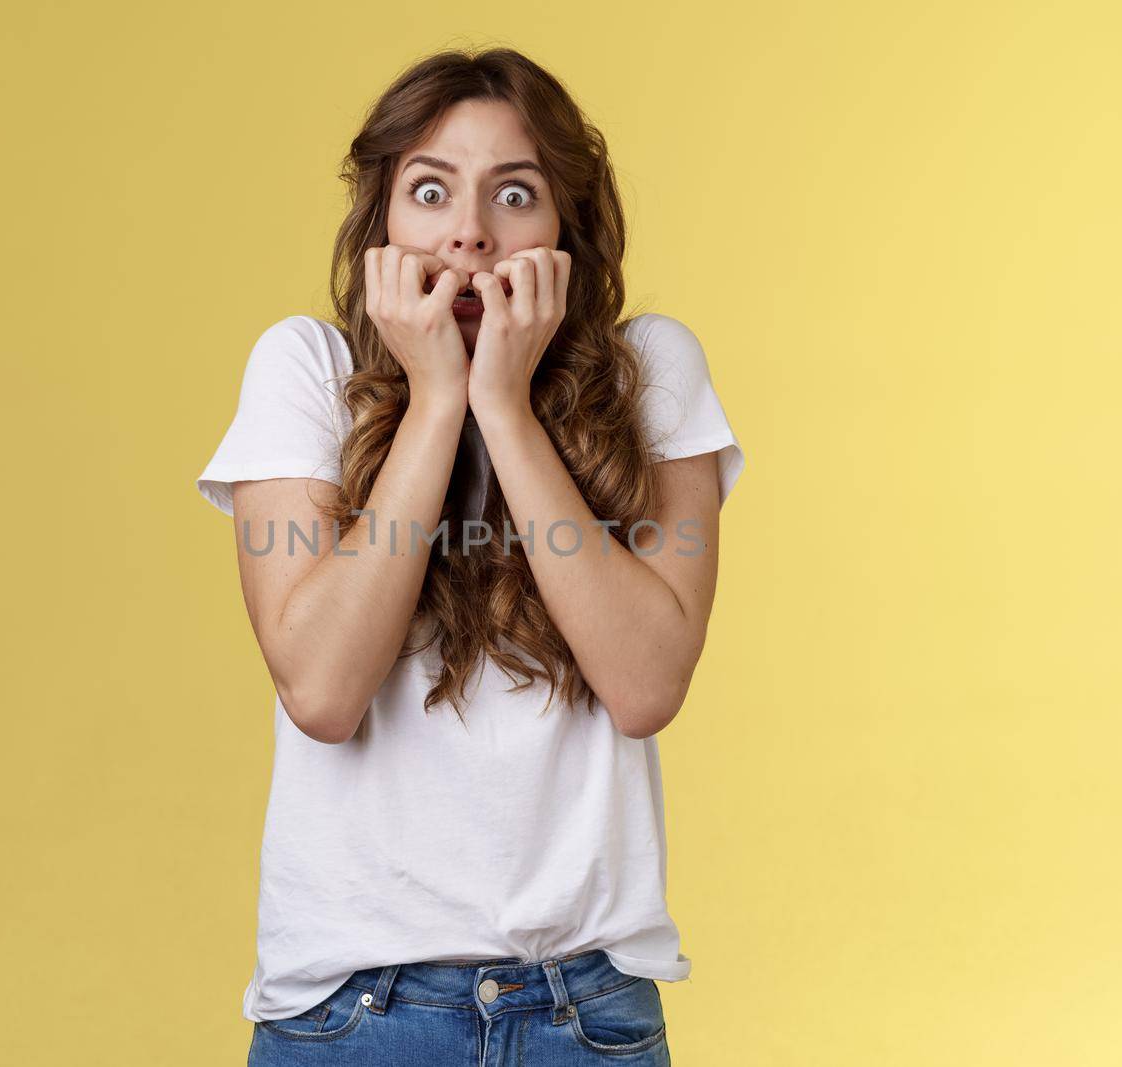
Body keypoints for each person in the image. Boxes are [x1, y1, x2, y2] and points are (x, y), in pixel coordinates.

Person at [196, 46, 746, 1065]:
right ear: (380, 222)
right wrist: (437, 399)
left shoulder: (652, 371)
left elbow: (645, 683)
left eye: (516, 194)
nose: (469, 232)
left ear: (567, 228)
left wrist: (503, 402)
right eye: (431, 190)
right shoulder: (304, 370)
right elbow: (321, 689)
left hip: (586, 1012)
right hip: (353, 1015)